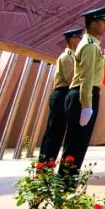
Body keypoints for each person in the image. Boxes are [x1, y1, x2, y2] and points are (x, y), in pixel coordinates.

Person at [59, 6, 105, 174]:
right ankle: (64, 185)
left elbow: (93, 71)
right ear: (93, 24)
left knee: (78, 144)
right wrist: (86, 105)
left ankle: (66, 184)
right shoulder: (89, 46)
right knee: (75, 144)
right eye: (102, 22)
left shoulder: (92, 45)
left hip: (83, 93)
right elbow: (86, 77)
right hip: (83, 95)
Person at [38, 28, 81, 163]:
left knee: (60, 131)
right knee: (55, 131)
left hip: (67, 93)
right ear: (72, 39)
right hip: (62, 93)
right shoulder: (67, 56)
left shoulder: (74, 56)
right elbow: (70, 79)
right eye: (79, 37)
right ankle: (45, 164)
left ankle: (49, 163)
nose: (80, 40)